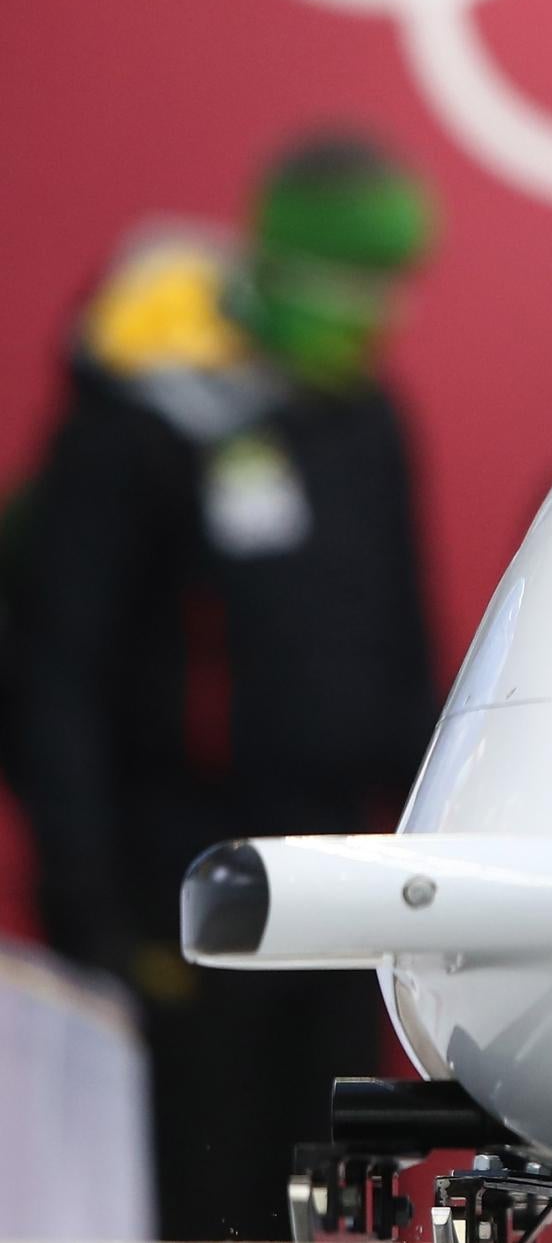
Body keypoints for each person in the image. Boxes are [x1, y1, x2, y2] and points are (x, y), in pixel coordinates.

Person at [0, 135, 443, 1240]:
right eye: (350, 283)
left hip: (338, 886)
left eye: (389, 288)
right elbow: (55, 672)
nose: (373, 314)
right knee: (188, 1197)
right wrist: (92, 900)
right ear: (279, 266)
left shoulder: (367, 417)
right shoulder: (139, 425)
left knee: (319, 1203)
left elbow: (399, 647)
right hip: (179, 886)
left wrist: (434, 852)